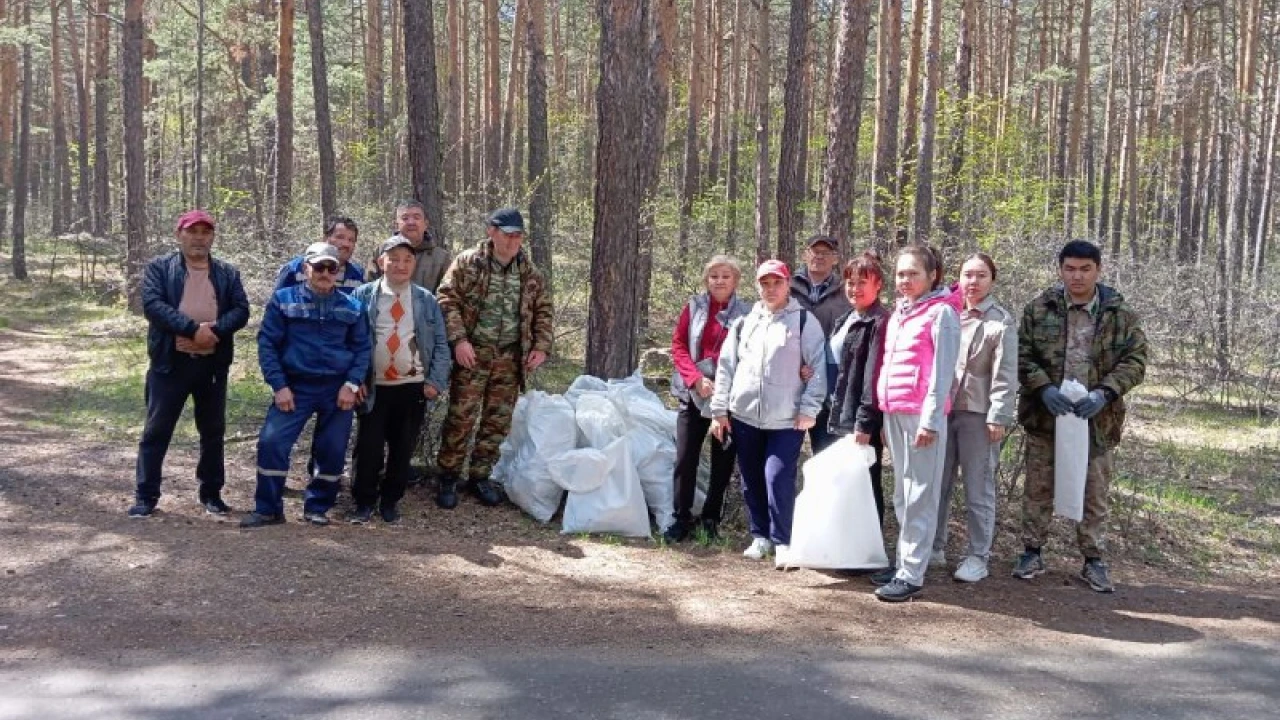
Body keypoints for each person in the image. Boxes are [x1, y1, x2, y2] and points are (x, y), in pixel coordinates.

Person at [1013, 240, 1147, 593]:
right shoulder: (1039, 309)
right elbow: (1021, 354)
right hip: (1046, 415)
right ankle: (1031, 551)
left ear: (1098, 270)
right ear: (1060, 270)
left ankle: (1093, 559)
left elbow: (1136, 360)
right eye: (1070, 268)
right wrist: (1043, 388)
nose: (1077, 276)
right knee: (1038, 487)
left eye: (1085, 269)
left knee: (1094, 492)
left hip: (1097, 419)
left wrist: (1105, 392)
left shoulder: (1119, 313)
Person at [129, 210, 250, 518]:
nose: (199, 238)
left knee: (212, 431)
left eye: (205, 232)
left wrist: (213, 333)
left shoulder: (227, 272)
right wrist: (191, 330)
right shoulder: (160, 268)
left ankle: (211, 494)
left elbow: (241, 310)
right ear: (179, 234)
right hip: (170, 363)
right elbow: (153, 306)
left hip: (212, 364)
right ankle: (146, 496)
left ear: (212, 237)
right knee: (156, 430)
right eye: (192, 231)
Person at [241, 243, 371, 528]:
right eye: (319, 267)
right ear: (305, 268)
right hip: (294, 386)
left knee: (332, 448)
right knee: (272, 442)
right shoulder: (283, 300)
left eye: (331, 268)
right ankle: (268, 509)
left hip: (337, 389)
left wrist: (351, 383)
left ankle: (317, 507)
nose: (325, 273)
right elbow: (268, 345)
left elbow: (362, 349)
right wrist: (279, 386)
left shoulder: (353, 306)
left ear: (338, 272)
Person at [434, 207, 554, 509]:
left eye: (518, 235)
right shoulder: (467, 262)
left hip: (511, 358)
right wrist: (459, 340)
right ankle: (448, 476)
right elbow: (446, 300)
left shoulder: (529, 271)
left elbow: (543, 310)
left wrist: (541, 346)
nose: (514, 241)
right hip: (473, 354)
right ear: (492, 231)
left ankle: (479, 475)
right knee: (461, 417)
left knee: (496, 422)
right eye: (508, 234)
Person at [711, 260, 826, 568]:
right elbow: (726, 368)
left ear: (788, 284)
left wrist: (809, 408)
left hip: (787, 418)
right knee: (751, 478)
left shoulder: (804, 322)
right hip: (745, 416)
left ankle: (783, 541)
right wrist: (719, 410)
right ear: (758, 287)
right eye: (765, 283)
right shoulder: (744, 322)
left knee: (777, 476)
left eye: (777, 283)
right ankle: (760, 535)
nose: (771, 289)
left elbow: (816, 369)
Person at [870, 245, 961, 602]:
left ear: (932, 276)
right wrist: (884, 410)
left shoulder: (942, 314)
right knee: (901, 493)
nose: (905, 280)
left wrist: (931, 421)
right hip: (895, 411)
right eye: (901, 274)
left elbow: (942, 375)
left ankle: (912, 573)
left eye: (913, 274)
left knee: (920, 493)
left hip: (922, 417)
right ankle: (903, 561)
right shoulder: (899, 314)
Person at [348, 237, 452, 524]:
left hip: (412, 386)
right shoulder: (363, 296)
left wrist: (435, 382)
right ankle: (363, 501)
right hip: (374, 387)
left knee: (402, 447)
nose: (400, 265)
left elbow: (441, 344)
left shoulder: (425, 300)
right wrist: (354, 380)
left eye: (407, 259)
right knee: (368, 446)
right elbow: (350, 342)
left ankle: (391, 500)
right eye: (393, 259)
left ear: (414, 263)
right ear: (381, 262)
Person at [930, 253, 1018, 583]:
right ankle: (934, 547)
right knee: (938, 482)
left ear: (992, 280)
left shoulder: (1000, 321)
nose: (973, 281)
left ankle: (977, 556)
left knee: (978, 488)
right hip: (942, 411)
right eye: (967, 274)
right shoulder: (947, 312)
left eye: (981, 275)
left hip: (978, 415)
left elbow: (1005, 375)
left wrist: (998, 416)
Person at [664, 255, 751, 543]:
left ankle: (711, 518)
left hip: (727, 398)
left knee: (722, 460)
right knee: (685, 458)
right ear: (706, 279)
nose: (719, 281)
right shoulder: (694, 307)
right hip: (693, 392)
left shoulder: (747, 313)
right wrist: (694, 379)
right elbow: (678, 345)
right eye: (714, 276)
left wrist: (725, 387)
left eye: (726, 276)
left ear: (736, 280)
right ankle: (681, 518)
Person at [826, 250, 890, 527]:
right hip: (835, 411)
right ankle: (844, 543)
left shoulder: (880, 322)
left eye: (863, 282)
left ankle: (869, 549)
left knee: (867, 482)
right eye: (850, 282)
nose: (855, 288)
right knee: (844, 483)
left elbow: (873, 376)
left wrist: (864, 424)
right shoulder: (847, 318)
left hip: (860, 418)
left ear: (878, 285)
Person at [789, 235, 852, 453]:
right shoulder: (787, 287)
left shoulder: (845, 292)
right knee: (784, 455)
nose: (819, 256)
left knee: (825, 453)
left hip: (828, 385)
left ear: (835, 259)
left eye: (826, 253)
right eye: (815, 251)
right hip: (789, 382)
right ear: (806, 255)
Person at [274, 215, 364, 294]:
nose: (346, 244)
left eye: (351, 240)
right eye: (340, 237)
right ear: (325, 238)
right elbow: (277, 306)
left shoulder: (358, 276)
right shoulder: (294, 270)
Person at [387, 199, 451, 293]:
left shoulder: (441, 258)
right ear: (396, 224)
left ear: (425, 224)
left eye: (416, 218)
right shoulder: (383, 252)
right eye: (405, 218)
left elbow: (448, 296)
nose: (411, 222)